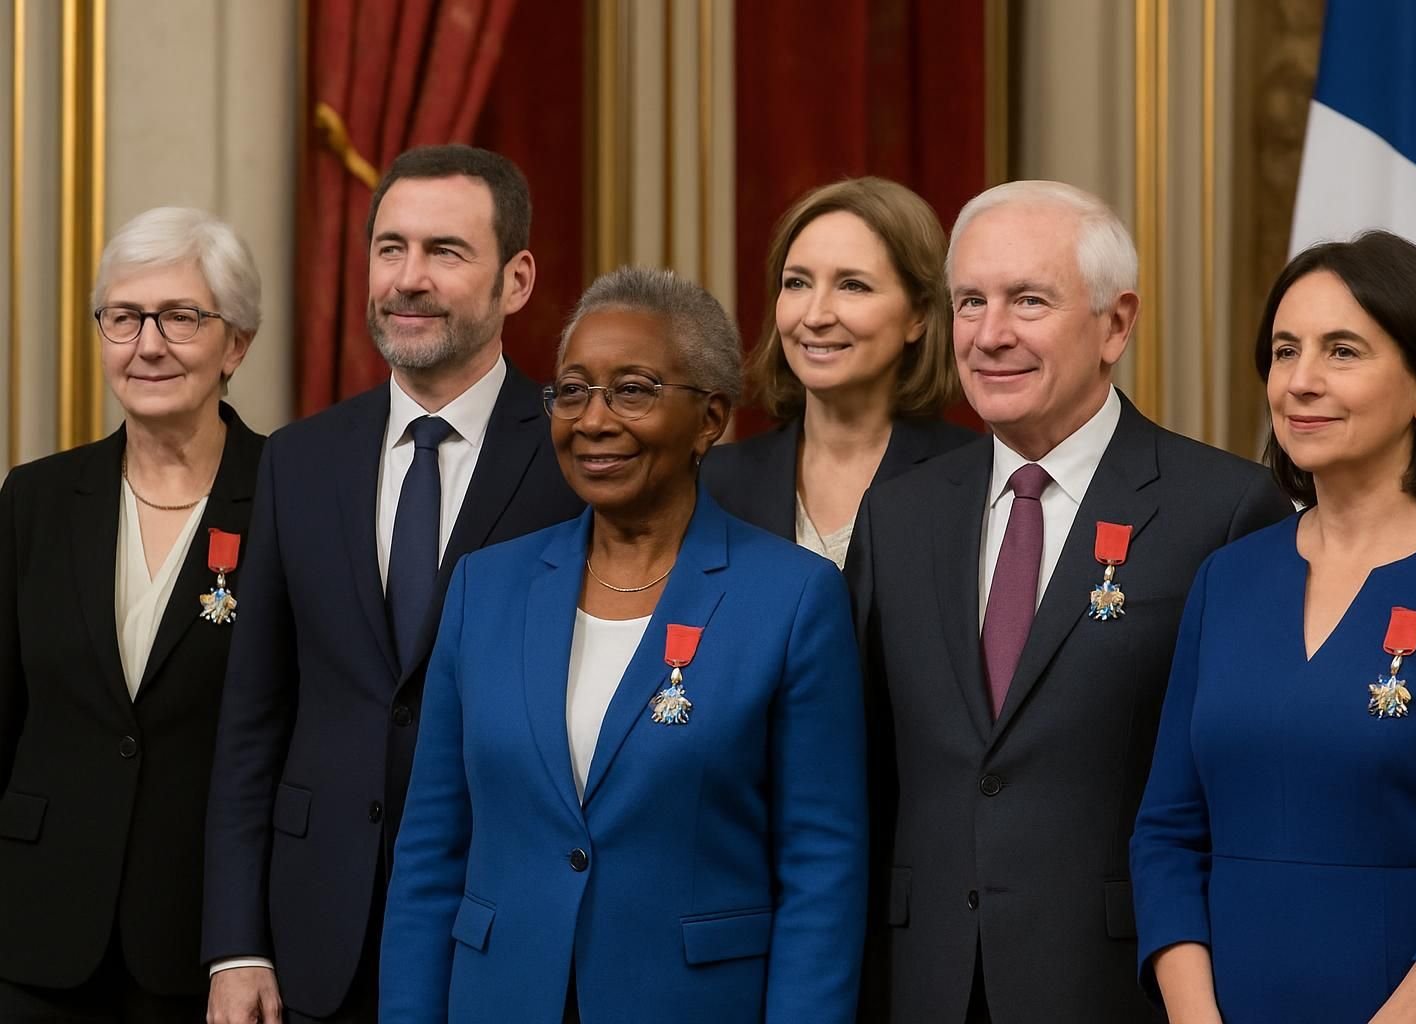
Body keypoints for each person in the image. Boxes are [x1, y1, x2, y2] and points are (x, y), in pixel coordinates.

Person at [846, 181, 1294, 1023]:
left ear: (1116, 324)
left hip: (1122, 987)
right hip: (923, 981)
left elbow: (1243, 792)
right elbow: (867, 774)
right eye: (970, 301)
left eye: (1028, 301)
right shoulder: (899, 512)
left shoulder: (1223, 511)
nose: (989, 334)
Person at [378, 266, 868, 1024]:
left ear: (710, 418)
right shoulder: (485, 588)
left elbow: (822, 870)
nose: (593, 420)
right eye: (571, 391)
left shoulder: (793, 599)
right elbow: (431, 851)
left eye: (632, 390)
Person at [202, 144, 583, 1024]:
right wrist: (235, 944)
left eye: (446, 252)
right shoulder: (299, 459)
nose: (408, 279)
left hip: (505, 927)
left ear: (516, 279)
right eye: (389, 248)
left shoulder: (575, 456)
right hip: (309, 940)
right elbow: (253, 717)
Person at [1132, 231, 1416, 1024]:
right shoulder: (1228, 578)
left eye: (1342, 351)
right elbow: (1167, 835)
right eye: (1286, 352)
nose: (1301, 382)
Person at [0, 207, 265, 1020]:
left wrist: (249, 940)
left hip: (200, 947)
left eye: (181, 317)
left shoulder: (292, 498)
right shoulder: (36, 500)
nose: (148, 344)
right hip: (33, 937)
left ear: (236, 345)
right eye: (123, 317)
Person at [703, 177, 972, 569]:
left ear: (918, 314)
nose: (814, 316)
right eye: (797, 283)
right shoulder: (711, 481)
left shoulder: (977, 478)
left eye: (852, 286)